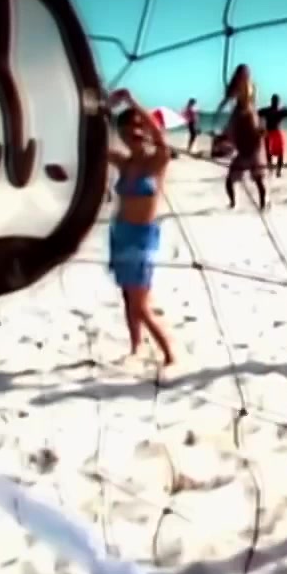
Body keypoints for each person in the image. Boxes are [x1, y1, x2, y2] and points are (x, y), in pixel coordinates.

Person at [105, 92, 176, 368]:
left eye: (138, 126)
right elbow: (92, 146)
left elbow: (159, 137)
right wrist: (100, 111)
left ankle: (170, 356)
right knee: (128, 298)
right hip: (120, 235)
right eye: (127, 130)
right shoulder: (124, 163)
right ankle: (135, 346)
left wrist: (132, 102)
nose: (134, 132)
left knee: (140, 305)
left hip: (143, 239)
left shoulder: (157, 160)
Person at [219, 64, 267, 210]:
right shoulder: (239, 113)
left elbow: (238, 98)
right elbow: (230, 96)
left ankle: (262, 204)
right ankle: (233, 203)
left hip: (252, 147)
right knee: (231, 180)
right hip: (244, 148)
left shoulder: (249, 91)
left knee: (258, 179)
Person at [261, 94, 287, 177]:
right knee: (276, 153)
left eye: (275, 101)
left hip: (271, 133)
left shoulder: (269, 111)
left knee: (273, 153)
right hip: (273, 133)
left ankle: (273, 170)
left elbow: (256, 114)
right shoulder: (278, 111)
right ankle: (276, 170)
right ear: (277, 102)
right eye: (275, 101)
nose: (275, 102)